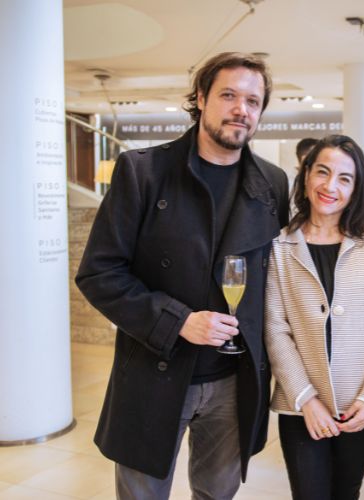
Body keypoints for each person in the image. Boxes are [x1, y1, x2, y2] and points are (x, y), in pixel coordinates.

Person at [75, 52, 289, 499]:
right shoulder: (143, 171)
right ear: (201, 98)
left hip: (235, 379)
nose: (241, 109)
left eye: (253, 101)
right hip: (154, 371)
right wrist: (178, 322)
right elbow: (99, 273)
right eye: (228, 95)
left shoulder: (272, 183)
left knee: (216, 494)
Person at [265, 134, 364, 500]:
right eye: (322, 172)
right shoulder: (279, 246)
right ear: (306, 175)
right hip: (301, 406)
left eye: (345, 178)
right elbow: (275, 329)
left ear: (356, 189)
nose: (330, 186)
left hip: (359, 405)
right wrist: (306, 399)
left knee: (347, 492)